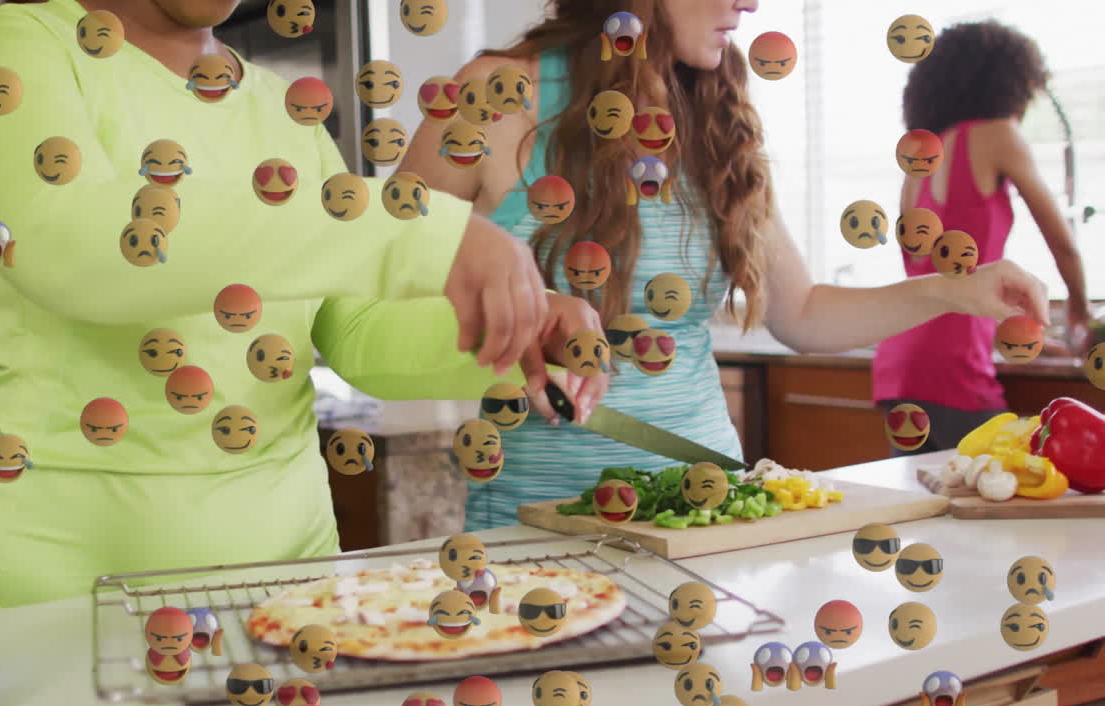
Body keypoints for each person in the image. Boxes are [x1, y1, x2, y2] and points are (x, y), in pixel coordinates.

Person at [0, 0, 551, 607]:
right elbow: (72, 245)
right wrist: (416, 232)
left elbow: (358, 330)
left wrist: (518, 330)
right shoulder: (21, 45)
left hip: (292, 578)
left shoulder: (283, 109)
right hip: (67, 582)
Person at [394, 0, 1055, 531]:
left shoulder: (716, 115)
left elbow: (803, 314)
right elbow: (384, 268)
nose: (750, 4)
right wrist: (523, 311)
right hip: (538, 522)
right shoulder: (496, 95)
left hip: (707, 512)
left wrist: (951, 290)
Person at [872, 20, 1092, 456]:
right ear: (1008, 83)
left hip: (898, 365)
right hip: (952, 371)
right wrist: (1080, 317)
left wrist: (1008, 333)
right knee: (1011, 493)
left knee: (932, 510)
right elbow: (1062, 241)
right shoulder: (997, 135)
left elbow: (940, 281)